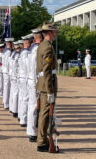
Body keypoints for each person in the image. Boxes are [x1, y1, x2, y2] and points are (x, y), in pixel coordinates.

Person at [36, 22, 59, 152]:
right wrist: (50, 91)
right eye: (55, 32)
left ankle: (42, 140)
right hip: (47, 85)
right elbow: (47, 71)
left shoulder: (42, 46)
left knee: (44, 114)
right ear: (50, 33)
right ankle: (42, 141)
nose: (56, 34)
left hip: (42, 84)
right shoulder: (47, 48)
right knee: (45, 115)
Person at [26, 29, 43, 142]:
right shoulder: (37, 49)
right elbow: (37, 68)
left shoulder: (32, 49)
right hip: (35, 81)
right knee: (34, 107)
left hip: (31, 80)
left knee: (32, 106)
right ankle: (33, 132)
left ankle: (32, 131)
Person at [18, 35, 31, 127]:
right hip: (25, 77)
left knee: (22, 98)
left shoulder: (22, 52)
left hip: (22, 76)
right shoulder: (25, 53)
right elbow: (28, 66)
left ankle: (22, 117)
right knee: (25, 99)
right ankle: (24, 119)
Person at [2, 38, 14, 109]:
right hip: (7, 71)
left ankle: (5, 102)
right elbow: (8, 63)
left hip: (5, 71)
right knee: (7, 88)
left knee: (6, 87)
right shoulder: (8, 52)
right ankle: (6, 104)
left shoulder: (5, 51)